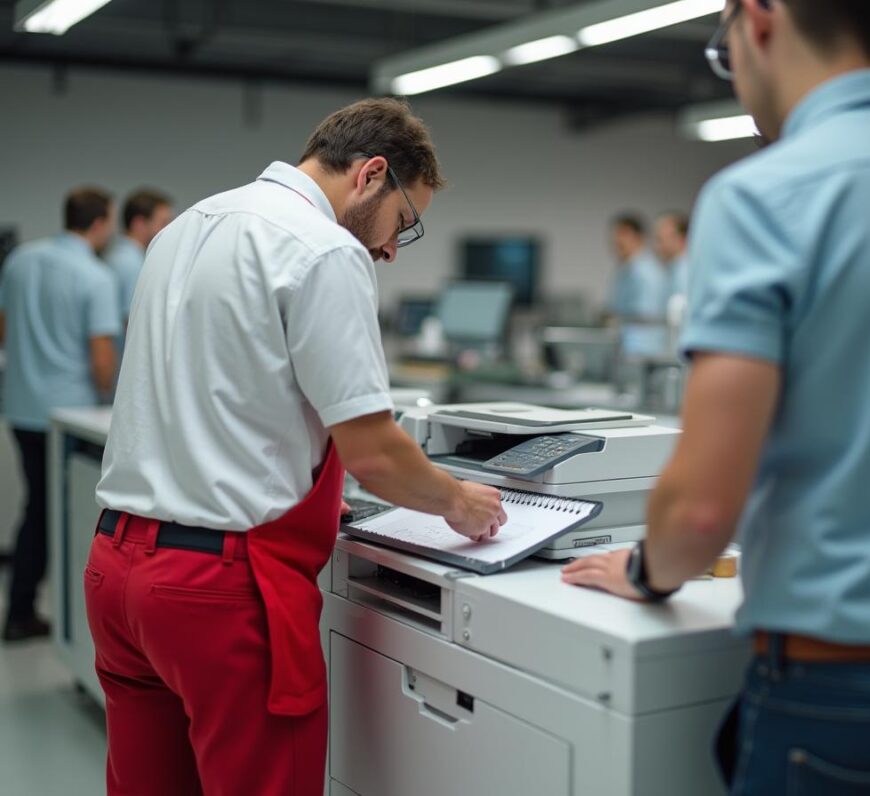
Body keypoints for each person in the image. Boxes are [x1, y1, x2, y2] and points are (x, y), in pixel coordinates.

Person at [563, 0, 870, 792]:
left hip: (850, 697)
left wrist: (647, 570)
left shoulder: (762, 196)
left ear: (760, 18)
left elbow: (704, 514)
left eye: (725, 45)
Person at [87, 98, 506, 796]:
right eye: (404, 221)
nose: (392, 248)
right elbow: (372, 451)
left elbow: (224, 393)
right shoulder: (323, 248)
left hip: (117, 573)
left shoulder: (185, 227)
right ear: (371, 174)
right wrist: (458, 500)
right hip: (219, 592)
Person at [0, 188, 120, 641]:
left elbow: (4, 329)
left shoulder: (20, 260)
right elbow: (102, 355)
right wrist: (113, 395)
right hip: (71, 413)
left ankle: (25, 608)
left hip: (21, 408)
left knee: (39, 506)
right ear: (99, 224)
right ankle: (36, 615)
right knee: (61, 515)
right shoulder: (95, 276)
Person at [105, 189, 173, 329]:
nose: (170, 230)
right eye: (164, 223)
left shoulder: (116, 256)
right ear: (139, 224)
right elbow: (134, 323)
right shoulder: (133, 265)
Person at [607, 213, 668, 320]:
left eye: (623, 234)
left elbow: (646, 318)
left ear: (639, 237)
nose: (617, 240)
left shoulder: (647, 273)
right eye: (616, 235)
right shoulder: (626, 269)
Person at [653, 211, 690, 300]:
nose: (657, 246)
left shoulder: (684, 273)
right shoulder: (673, 269)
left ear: (680, 238)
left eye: (661, 239)